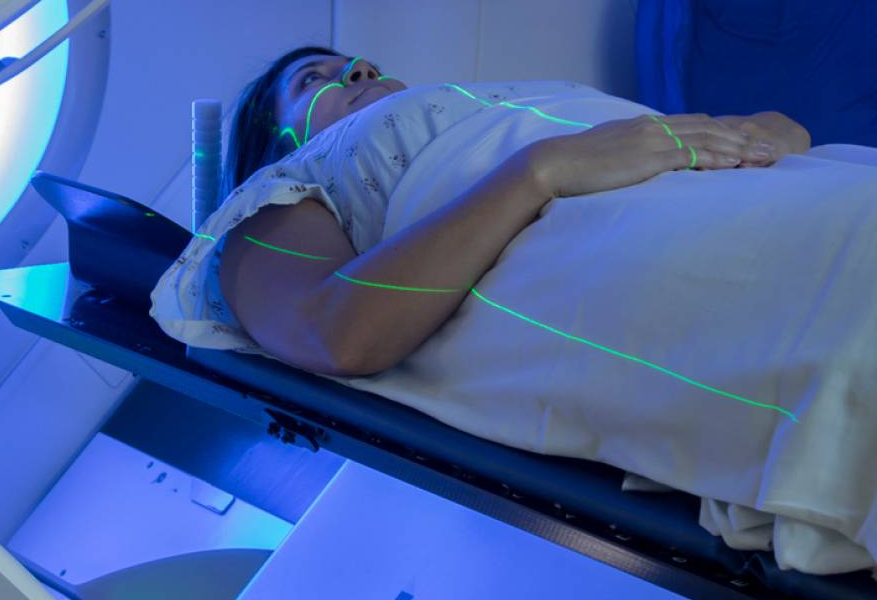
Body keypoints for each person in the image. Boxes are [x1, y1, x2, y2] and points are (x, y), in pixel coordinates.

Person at [206, 46, 809, 378]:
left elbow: (773, 131)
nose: (361, 67)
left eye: (355, 64)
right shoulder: (279, 192)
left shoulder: (514, 101)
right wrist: (543, 170)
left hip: (791, 188)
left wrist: (769, 134)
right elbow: (336, 334)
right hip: (699, 245)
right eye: (313, 80)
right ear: (277, 147)